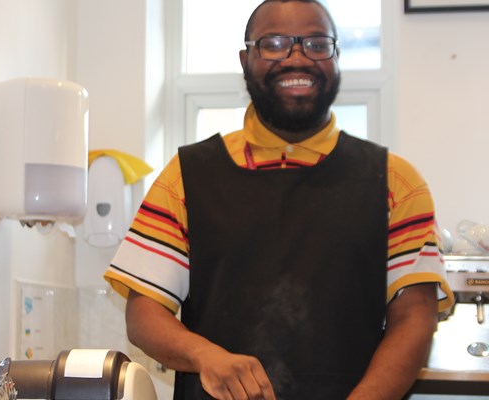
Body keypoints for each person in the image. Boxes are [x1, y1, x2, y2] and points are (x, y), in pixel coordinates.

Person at [103, 1, 454, 398]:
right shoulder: (185, 177)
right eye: (274, 43)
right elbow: (144, 314)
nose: (297, 57)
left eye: (317, 44)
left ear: (336, 56)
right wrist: (203, 355)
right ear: (245, 58)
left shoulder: (395, 182)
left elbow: (414, 317)